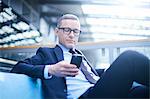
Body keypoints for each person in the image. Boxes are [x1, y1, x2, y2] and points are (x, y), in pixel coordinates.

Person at [11, 14, 149, 99]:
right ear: (57, 32)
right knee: (129, 58)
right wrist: (51, 69)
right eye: (67, 30)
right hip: (87, 96)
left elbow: (90, 75)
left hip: (98, 90)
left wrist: (109, 71)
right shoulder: (47, 53)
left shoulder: (79, 56)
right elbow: (18, 67)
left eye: (76, 31)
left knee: (143, 92)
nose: (72, 35)